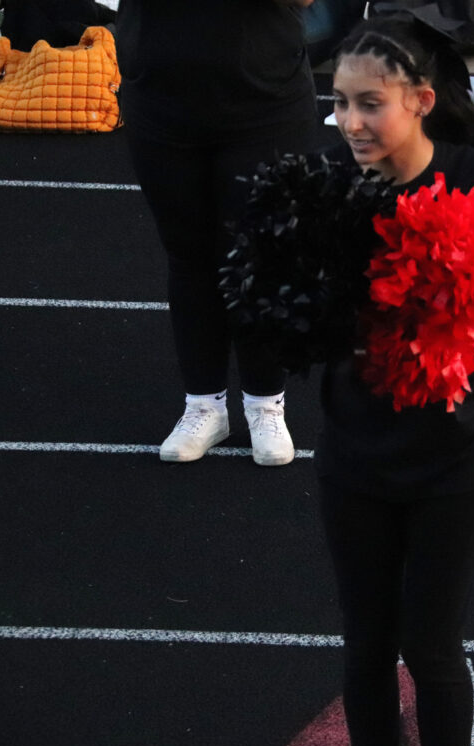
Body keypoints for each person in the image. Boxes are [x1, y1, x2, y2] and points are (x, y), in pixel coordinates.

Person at [314, 16, 474, 746]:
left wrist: (446, 291)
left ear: (418, 99)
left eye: (369, 103)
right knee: (365, 646)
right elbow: (299, 325)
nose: (351, 121)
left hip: (454, 452)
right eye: (339, 102)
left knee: (432, 646)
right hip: (355, 450)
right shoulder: (326, 189)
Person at [114, 0, 319, 464]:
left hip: (266, 99)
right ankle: (203, 405)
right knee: (187, 253)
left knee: (260, 254)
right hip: (161, 95)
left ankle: (266, 403)